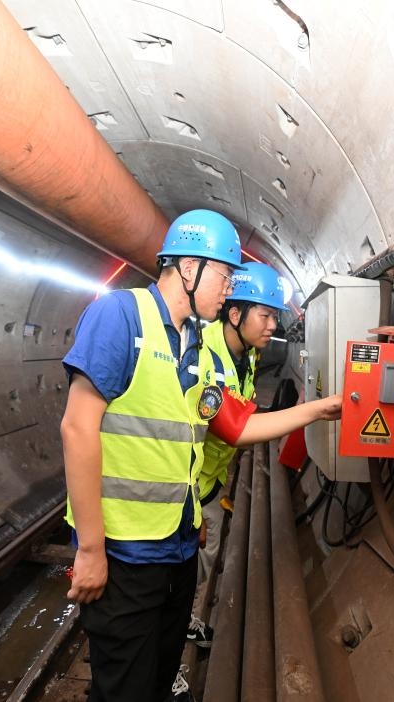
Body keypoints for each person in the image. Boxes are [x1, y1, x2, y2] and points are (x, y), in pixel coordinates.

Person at [61, 209, 340, 702]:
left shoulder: (198, 347)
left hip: (177, 549)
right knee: (124, 687)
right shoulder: (121, 316)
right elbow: (78, 428)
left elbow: (226, 430)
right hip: (126, 552)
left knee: (160, 676)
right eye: (224, 275)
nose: (228, 289)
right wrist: (90, 549)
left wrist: (318, 410)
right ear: (189, 268)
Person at [186, 261, 286, 649]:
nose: (273, 325)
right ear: (235, 315)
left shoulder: (246, 353)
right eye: (265, 315)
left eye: (275, 316)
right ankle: (169, 645)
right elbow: (227, 430)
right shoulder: (204, 356)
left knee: (201, 561)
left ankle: (181, 617)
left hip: (209, 481)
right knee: (182, 570)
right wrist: (315, 411)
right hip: (186, 488)